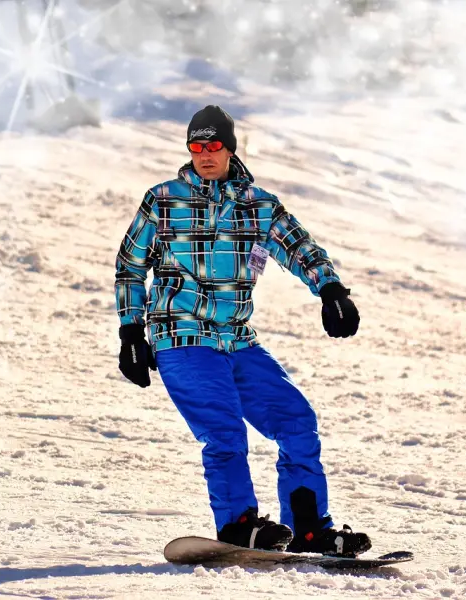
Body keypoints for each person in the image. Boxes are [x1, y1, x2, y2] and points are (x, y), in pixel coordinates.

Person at [114, 105, 370, 558]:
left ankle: (308, 527)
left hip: (237, 339)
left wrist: (331, 290)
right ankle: (238, 525)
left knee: (296, 422)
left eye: (214, 145)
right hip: (183, 337)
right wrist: (131, 333)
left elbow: (301, 248)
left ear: (230, 149)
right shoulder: (162, 200)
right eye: (196, 146)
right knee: (225, 432)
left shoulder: (259, 205)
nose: (205, 154)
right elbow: (130, 267)